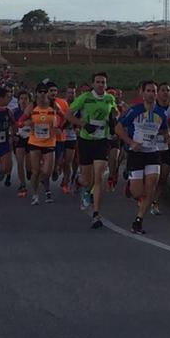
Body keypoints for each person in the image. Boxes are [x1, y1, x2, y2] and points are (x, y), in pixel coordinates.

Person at [65, 72, 119, 229]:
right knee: (87, 180)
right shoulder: (85, 97)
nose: (101, 84)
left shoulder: (110, 98)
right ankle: (79, 182)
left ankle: (96, 214)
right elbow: (68, 114)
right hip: (86, 140)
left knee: (99, 177)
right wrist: (83, 124)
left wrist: (113, 118)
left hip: (102, 140)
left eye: (103, 82)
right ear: (93, 84)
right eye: (98, 82)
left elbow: (114, 112)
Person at [115, 80, 170, 234]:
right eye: (148, 91)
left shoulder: (161, 113)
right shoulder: (134, 111)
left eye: (154, 91)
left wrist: (168, 136)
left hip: (152, 152)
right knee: (138, 192)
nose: (151, 94)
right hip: (136, 153)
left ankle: (138, 220)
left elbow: (164, 129)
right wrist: (131, 142)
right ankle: (131, 187)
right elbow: (118, 128)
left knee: (152, 185)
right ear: (142, 93)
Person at [20, 83, 60, 205]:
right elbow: (19, 121)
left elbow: (65, 117)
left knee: (47, 171)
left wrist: (59, 128)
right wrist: (26, 123)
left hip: (49, 141)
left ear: (48, 93)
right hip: (35, 141)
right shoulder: (32, 106)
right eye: (40, 92)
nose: (42, 94)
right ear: (36, 93)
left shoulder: (54, 105)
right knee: (35, 171)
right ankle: (35, 194)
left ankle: (46, 188)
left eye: (45, 92)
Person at [150, 82, 170, 216]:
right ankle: (146, 198)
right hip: (151, 147)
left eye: (168, 90)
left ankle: (155, 203)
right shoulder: (151, 108)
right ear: (158, 93)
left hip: (165, 147)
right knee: (153, 177)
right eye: (162, 90)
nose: (165, 93)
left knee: (163, 177)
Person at [46, 81, 72, 194]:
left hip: (60, 137)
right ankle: (50, 172)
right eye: (51, 90)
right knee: (48, 162)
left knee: (60, 159)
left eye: (55, 91)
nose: (53, 93)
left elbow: (67, 118)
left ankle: (56, 169)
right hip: (45, 138)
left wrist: (61, 127)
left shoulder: (62, 102)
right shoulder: (41, 103)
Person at [12, 90, 32, 198]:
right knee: (20, 162)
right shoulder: (15, 112)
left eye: (26, 99)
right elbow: (13, 125)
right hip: (19, 139)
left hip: (30, 138)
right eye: (21, 99)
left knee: (29, 164)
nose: (23, 101)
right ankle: (22, 184)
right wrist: (13, 135)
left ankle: (29, 171)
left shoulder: (33, 112)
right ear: (18, 101)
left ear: (29, 101)